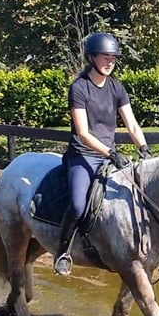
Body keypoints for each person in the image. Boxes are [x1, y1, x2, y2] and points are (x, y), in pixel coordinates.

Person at [53, 32, 152, 276]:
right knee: (77, 206)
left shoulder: (117, 88)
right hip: (83, 155)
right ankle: (62, 252)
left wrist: (144, 149)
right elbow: (83, 132)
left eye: (113, 58)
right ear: (92, 58)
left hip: (109, 156)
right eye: (105, 57)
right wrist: (110, 153)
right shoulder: (79, 88)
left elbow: (132, 125)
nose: (110, 62)